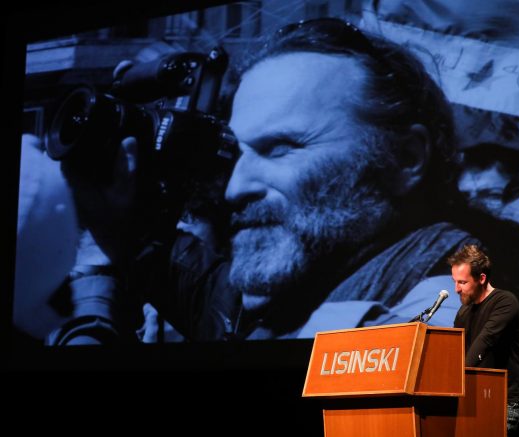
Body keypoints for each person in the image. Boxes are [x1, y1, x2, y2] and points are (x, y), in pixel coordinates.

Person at [49, 17, 489, 344]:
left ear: (404, 158)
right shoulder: (303, 288)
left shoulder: (440, 315)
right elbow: (213, 303)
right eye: (237, 153)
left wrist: (92, 310)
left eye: (280, 148)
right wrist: (122, 229)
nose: (234, 188)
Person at [449, 244, 519, 435]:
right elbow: (455, 351)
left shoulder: (505, 302)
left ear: (482, 278)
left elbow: (485, 341)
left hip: (506, 401)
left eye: (462, 282)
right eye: (455, 282)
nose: (456, 289)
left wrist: (456, 379)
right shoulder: (464, 312)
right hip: (475, 399)